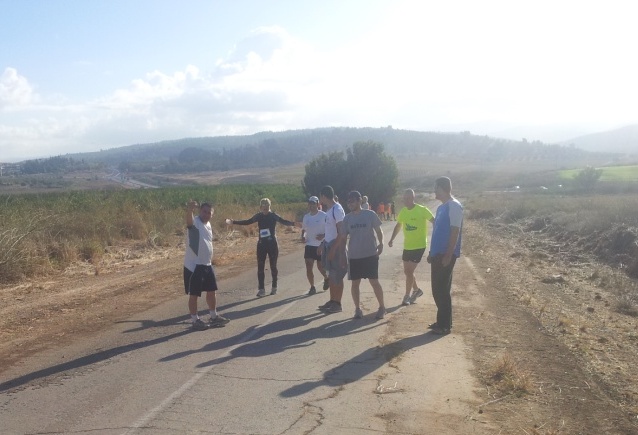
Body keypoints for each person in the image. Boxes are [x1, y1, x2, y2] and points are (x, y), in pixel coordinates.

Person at [227, 198, 300, 297]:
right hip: (262, 244)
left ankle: (274, 286)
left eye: (267, 206)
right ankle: (261, 289)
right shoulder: (259, 216)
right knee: (260, 267)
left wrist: (293, 224)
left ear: (270, 206)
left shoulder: (273, 215)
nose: (265, 208)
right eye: (263, 206)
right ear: (260, 207)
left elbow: (283, 221)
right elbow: (248, 222)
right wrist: (234, 222)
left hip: (272, 244)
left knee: (273, 266)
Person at [184, 200, 230, 331]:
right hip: (194, 265)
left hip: (207, 264)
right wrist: (190, 210)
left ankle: (213, 317)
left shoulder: (208, 224)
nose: (206, 214)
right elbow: (189, 222)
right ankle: (195, 320)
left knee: (211, 291)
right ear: (200, 211)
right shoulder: (195, 222)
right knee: (194, 294)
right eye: (204, 212)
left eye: (209, 213)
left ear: (212, 215)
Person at [340, 190, 386, 319]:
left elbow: (379, 230)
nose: (350, 204)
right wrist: (343, 255)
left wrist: (381, 243)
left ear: (359, 201)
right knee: (355, 284)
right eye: (348, 202)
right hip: (354, 256)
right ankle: (357, 309)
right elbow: (343, 238)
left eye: (352, 201)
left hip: (370, 254)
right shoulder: (347, 219)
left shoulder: (370, 214)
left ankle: (382, 307)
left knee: (374, 282)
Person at [427, 177, 463, 335]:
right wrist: (431, 252)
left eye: (436, 188)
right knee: (437, 289)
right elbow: (437, 232)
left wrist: (449, 254)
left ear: (442, 188)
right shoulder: (442, 207)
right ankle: (441, 321)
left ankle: (445, 326)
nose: (434, 191)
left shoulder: (454, 206)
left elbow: (455, 231)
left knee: (441, 289)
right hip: (437, 254)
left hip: (445, 254)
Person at [388, 189, 434, 306]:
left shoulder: (422, 210)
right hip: (408, 245)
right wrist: (392, 239)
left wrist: (437, 238)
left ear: (413, 198)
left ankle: (407, 296)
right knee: (407, 271)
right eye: (405, 198)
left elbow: (435, 222)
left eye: (408, 198)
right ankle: (417, 290)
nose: (406, 200)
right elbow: (398, 225)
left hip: (419, 246)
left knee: (409, 271)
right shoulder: (403, 211)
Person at [317, 185, 347, 313]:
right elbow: (329, 231)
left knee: (337, 276)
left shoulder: (337, 209)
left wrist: (334, 249)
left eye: (320, 197)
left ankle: (337, 303)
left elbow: (342, 231)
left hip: (336, 247)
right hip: (328, 245)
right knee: (331, 275)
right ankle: (332, 301)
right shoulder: (329, 210)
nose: (320, 199)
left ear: (324, 196)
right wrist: (323, 244)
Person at [301, 196, 329, 295]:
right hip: (309, 245)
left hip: (321, 245)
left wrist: (323, 236)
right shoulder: (306, 217)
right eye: (310, 204)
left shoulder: (324, 215)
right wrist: (303, 236)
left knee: (320, 267)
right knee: (309, 266)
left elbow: (330, 229)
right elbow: (304, 229)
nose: (311, 206)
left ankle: (326, 278)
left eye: (313, 204)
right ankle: (312, 287)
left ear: (317, 204)